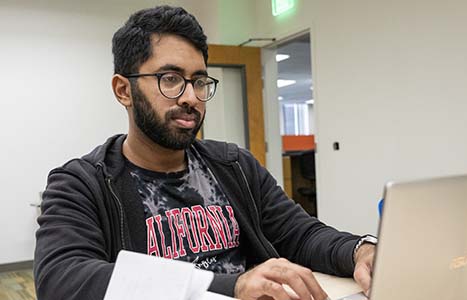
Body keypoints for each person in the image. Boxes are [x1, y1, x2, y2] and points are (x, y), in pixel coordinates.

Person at [34, 5, 376, 300]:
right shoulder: (81, 184)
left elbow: (300, 233)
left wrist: (359, 250)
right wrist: (231, 286)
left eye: (199, 81)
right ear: (124, 90)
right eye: (171, 78)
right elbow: (64, 280)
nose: (190, 97)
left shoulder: (234, 165)